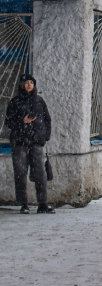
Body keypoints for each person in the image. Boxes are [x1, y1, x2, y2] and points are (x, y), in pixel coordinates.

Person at [5, 74, 54, 214]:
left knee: (40, 173)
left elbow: (47, 120)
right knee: (20, 173)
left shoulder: (39, 101)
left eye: (31, 82)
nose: (29, 85)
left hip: (36, 143)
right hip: (19, 143)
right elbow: (8, 122)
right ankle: (24, 204)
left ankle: (43, 204)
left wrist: (45, 137)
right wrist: (22, 122)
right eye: (26, 82)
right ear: (21, 85)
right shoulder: (15, 102)